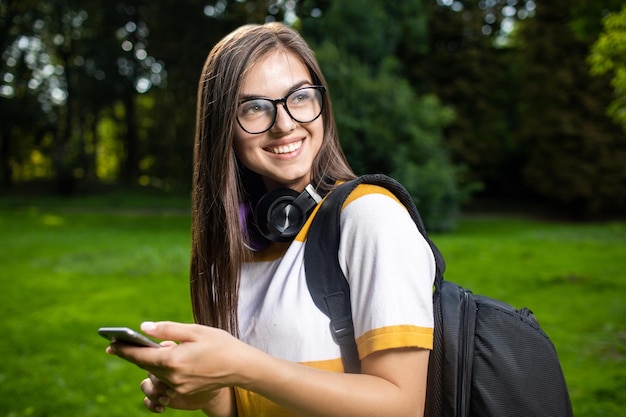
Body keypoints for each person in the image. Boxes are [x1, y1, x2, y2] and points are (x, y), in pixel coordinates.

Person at [106, 22, 436, 417]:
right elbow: (255, 403)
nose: (284, 124)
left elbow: (402, 407)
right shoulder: (234, 244)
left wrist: (242, 366)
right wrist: (210, 392)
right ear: (223, 128)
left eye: (299, 97)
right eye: (255, 107)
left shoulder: (369, 217)